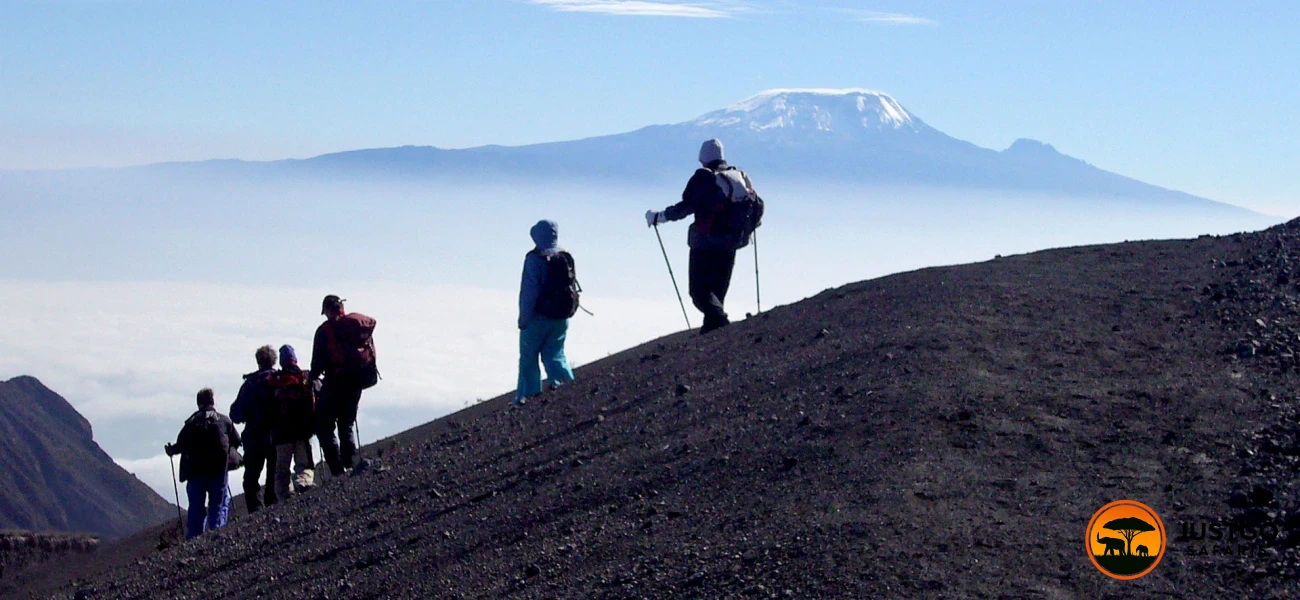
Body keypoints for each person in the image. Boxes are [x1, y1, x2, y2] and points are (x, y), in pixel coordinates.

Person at [645, 138, 756, 334]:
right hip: (731, 243)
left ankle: (720, 324)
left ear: (703, 158)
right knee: (718, 292)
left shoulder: (703, 178)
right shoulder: (738, 176)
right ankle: (712, 333)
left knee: (699, 292)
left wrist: (659, 217)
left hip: (705, 245)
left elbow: (685, 207)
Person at [311, 294, 378, 476]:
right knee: (346, 423)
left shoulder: (325, 331)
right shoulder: (357, 327)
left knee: (324, 426)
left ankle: (337, 470)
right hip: (356, 381)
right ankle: (351, 462)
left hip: (335, 382)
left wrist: (313, 378)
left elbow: (317, 364)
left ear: (326, 310)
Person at [165, 388, 240, 540]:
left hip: (195, 472)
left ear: (198, 402)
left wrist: (170, 450)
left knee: (196, 506)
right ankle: (216, 535)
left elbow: (180, 445)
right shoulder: (224, 420)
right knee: (218, 504)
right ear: (213, 401)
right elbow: (236, 440)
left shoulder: (191, 423)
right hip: (218, 470)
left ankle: (194, 539)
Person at [516, 219, 577, 404]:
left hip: (537, 318)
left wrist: (523, 320)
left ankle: (528, 396)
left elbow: (529, 292)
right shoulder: (565, 256)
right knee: (555, 353)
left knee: (528, 358)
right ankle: (567, 386)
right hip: (562, 316)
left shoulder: (534, 259)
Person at [230, 345, 278, 512]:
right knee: (275, 474)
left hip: (254, 436)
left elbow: (235, 414)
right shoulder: (280, 381)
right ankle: (274, 505)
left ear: (258, 362)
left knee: (251, 478)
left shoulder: (250, 385)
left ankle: (256, 511)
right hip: (278, 435)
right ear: (274, 361)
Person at [268, 344, 316, 497]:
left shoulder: (274, 381)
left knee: (282, 467)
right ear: (295, 359)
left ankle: (284, 494)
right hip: (303, 429)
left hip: (281, 433)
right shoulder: (305, 377)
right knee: (304, 464)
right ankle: (303, 484)